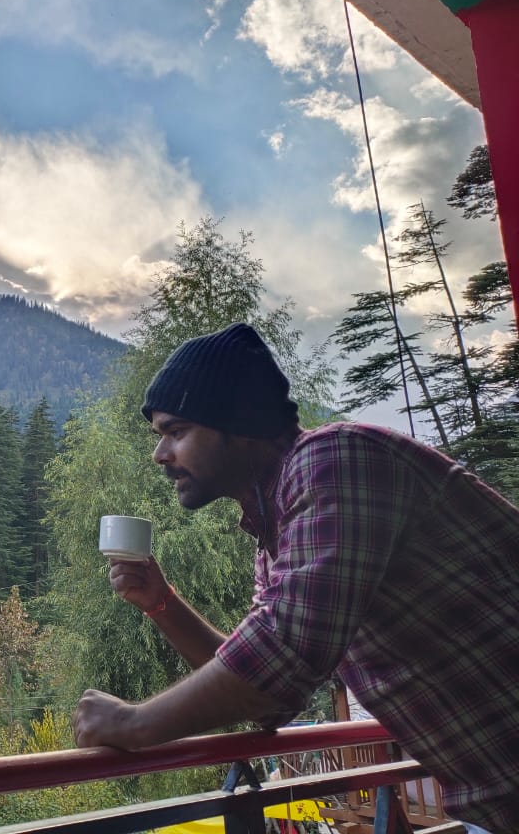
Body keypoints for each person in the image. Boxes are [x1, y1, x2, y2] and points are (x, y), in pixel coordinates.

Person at [72, 322, 519, 833]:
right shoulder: (276, 535)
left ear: (240, 423)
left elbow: (279, 659)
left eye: (177, 432)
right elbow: (269, 696)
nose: (160, 455)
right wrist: (163, 604)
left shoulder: (337, 459)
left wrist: (134, 723)